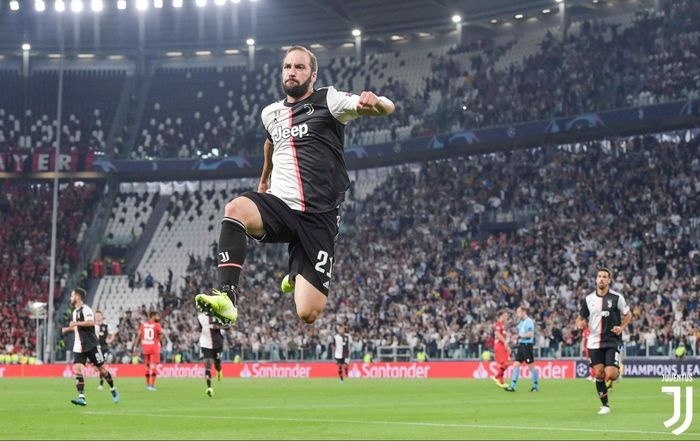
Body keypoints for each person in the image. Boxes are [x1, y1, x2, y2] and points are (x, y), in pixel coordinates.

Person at [195, 45, 395, 326]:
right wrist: (264, 179)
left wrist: (378, 103)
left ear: (313, 76)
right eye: (288, 66)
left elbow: (387, 107)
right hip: (281, 206)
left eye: (300, 67)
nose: (292, 72)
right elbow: (270, 142)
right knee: (235, 208)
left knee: (308, 313)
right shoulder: (271, 113)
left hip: (319, 217)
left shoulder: (330, 100)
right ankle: (227, 297)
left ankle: (297, 272)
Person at [576, 267, 631, 415]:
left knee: (611, 374)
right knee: (599, 374)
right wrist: (579, 323)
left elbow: (628, 314)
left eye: (604, 277)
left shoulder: (617, 298)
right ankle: (605, 405)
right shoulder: (588, 299)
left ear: (609, 280)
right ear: (596, 279)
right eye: (599, 276)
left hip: (612, 340)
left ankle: (617, 371)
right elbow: (580, 318)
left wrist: (621, 327)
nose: (601, 279)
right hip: (594, 342)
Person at [61, 288, 119, 406]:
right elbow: (76, 327)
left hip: (91, 345)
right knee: (77, 369)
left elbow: (90, 322)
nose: (71, 298)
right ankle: (81, 397)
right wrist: (67, 329)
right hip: (79, 345)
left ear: (77, 296)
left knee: (102, 370)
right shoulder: (74, 312)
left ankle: (113, 388)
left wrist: (75, 323)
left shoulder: (86, 309)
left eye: (72, 296)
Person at [506, 306, 539, 392]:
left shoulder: (529, 321)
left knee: (531, 367)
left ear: (524, 312)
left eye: (519, 312)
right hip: (521, 346)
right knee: (516, 365)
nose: (518, 314)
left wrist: (520, 336)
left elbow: (529, 334)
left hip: (527, 346)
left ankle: (535, 386)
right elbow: (517, 331)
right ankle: (512, 386)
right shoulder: (522, 322)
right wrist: (510, 326)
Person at [131, 311, 164, 391]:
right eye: (157, 316)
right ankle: (152, 386)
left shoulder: (143, 325)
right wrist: (162, 344)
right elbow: (160, 337)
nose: (158, 317)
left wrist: (135, 347)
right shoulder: (157, 325)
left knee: (147, 367)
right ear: (153, 316)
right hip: (154, 348)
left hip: (145, 348)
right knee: (153, 367)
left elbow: (138, 336)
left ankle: (148, 385)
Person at [198, 312, 226, 397]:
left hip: (218, 344)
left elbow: (227, 326)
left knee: (217, 363)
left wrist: (218, 327)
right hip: (205, 343)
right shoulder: (200, 317)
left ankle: (219, 370)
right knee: (208, 364)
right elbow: (200, 328)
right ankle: (209, 388)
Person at [94, 310, 117, 390]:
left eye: (99, 315)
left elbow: (113, 333)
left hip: (104, 349)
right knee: (97, 368)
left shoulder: (106, 326)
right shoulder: (92, 326)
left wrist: (110, 340)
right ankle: (101, 380)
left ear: (102, 317)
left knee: (102, 366)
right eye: (96, 315)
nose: (98, 317)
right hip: (95, 349)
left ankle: (101, 384)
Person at [490, 309, 510, 389]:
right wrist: (505, 343)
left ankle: (501, 382)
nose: (506, 317)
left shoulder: (502, 325)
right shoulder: (498, 324)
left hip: (502, 346)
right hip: (499, 346)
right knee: (506, 364)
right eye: (505, 316)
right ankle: (496, 377)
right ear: (501, 316)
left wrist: (506, 346)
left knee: (504, 364)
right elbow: (497, 334)